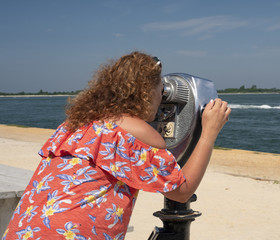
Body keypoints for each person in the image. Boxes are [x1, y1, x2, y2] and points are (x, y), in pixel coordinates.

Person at [2, 51, 231, 239]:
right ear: (146, 92)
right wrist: (208, 133)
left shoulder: (76, 125)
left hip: (24, 230)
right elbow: (182, 191)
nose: (161, 98)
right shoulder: (134, 132)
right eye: (159, 90)